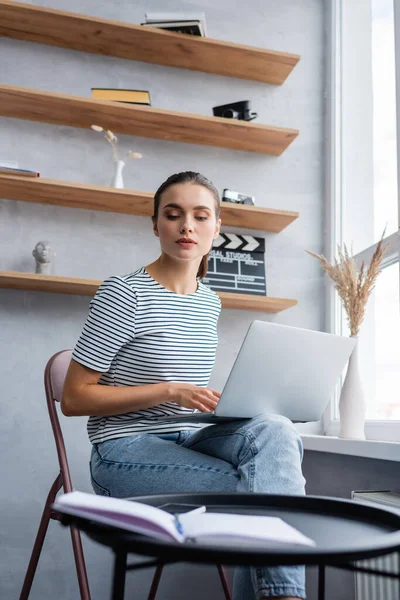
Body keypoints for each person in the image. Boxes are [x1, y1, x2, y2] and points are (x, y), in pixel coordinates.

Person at [61, 171, 306, 600]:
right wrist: (169, 390)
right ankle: (285, 597)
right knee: (265, 492)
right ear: (156, 224)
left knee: (276, 429)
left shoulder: (208, 300)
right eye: (173, 215)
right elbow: (74, 397)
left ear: (217, 227)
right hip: (123, 450)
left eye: (199, 215)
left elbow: (190, 396)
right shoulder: (124, 294)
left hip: (188, 437)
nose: (186, 226)